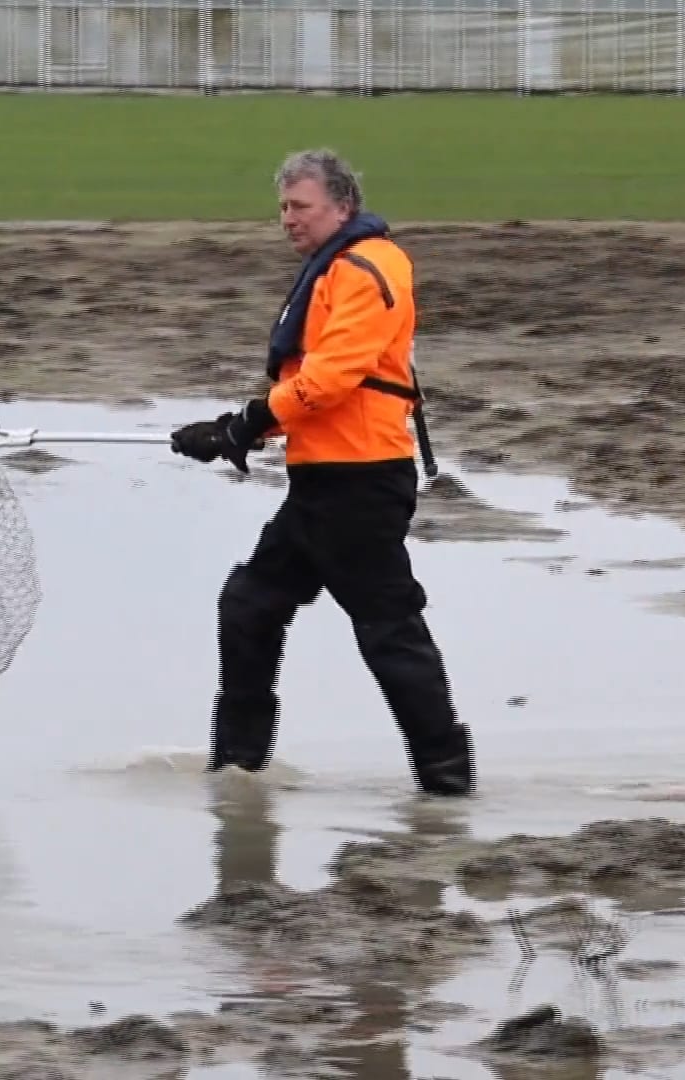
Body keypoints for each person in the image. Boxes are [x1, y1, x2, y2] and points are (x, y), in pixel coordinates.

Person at [169, 148, 474, 797]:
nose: (287, 219)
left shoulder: (366, 268)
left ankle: (448, 782)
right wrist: (231, 430)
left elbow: (335, 380)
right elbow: (317, 388)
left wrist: (248, 421)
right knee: (250, 605)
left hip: (359, 482)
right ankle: (237, 772)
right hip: (322, 482)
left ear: (342, 206)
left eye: (299, 206)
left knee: (389, 633)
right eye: (282, 207)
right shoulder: (334, 269)